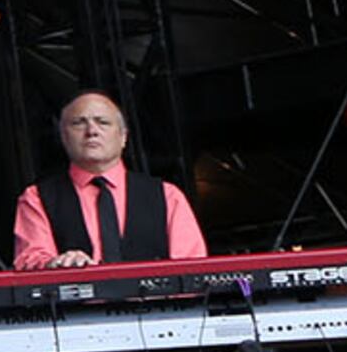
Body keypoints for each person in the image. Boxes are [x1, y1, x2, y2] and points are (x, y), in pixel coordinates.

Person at [11, 89, 207, 269]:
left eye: (103, 122)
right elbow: (30, 260)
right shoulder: (37, 197)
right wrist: (55, 264)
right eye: (78, 123)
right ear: (63, 137)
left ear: (123, 137)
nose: (91, 131)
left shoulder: (167, 196)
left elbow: (192, 268)